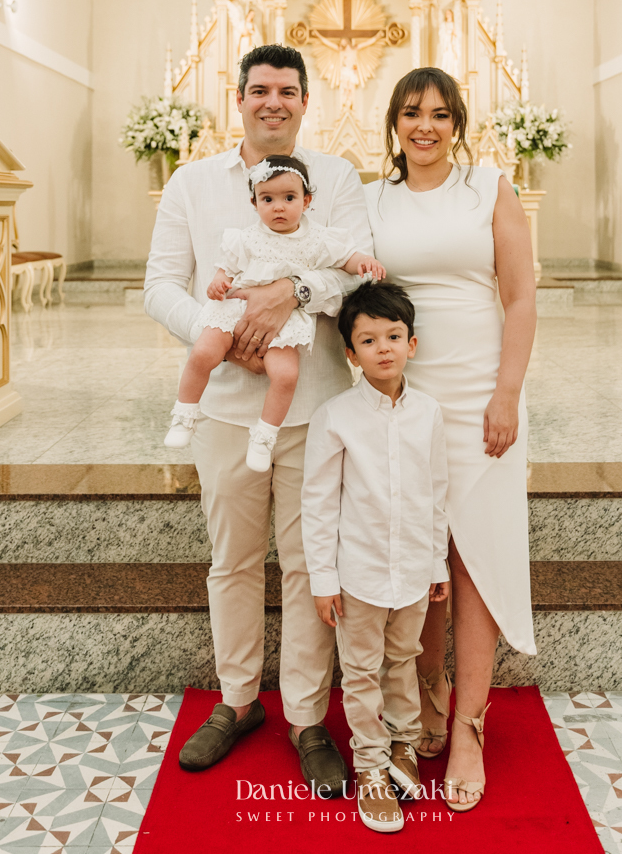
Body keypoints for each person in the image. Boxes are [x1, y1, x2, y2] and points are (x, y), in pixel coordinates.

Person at [144, 44, 373, 794]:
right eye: (260, 90)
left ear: (306, 102)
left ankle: (307, 718)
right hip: (224, 409)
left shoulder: (335, 177)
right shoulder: (192, 181)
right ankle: (238, 701)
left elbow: (357, 265)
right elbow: (159, 285)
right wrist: (226, 332)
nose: (273, 102)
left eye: (288, 91)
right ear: (237, 97)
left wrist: (292, 296)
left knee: (310, 563)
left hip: (313, 406)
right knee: (233, 561)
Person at [364, 67, 537, 814]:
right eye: (411, 113)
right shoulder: (374, 199)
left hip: (478, 397)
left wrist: (506, 393)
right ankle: (427, 693)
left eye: (439, 113)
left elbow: (522, 293)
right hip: (406, 398)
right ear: (394, 124)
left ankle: (469, 723)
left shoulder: (489, 187)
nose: (424, 126)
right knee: (417, 551)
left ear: (457, 121)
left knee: (476, 556)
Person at [302, 281, 449, 833]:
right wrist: (323, 577)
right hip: (357, 575)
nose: (383, 347)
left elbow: (437, 493)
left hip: (412, 570)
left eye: (394, 336)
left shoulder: (429, 413)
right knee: (360, 670)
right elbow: (317, 503)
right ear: (350, 352)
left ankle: (404, 746)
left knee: (403, 659)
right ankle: (369, 765)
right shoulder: (335, 417)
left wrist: (436, 563)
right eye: (369, 339)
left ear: (413, 343)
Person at [164, 152, 384, 471]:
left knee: (285, 375)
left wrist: (365, 262)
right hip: (234, 308)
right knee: (203, 352)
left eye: (289, 197)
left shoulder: (318, 238)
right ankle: (184, 413)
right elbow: (226, 268)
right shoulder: (246, 238)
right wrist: (218, 283)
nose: (278, 206)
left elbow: (347, 259)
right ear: (254, 204)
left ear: (306, 201)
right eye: (268, 199)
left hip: (284, 321)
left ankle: (265, 434)